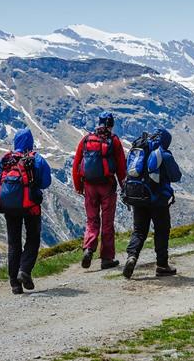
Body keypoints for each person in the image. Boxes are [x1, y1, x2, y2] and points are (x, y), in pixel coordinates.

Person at [0, 127, 52, 294]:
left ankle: (14, 284)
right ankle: (24, 270)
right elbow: (46, 182)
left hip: (9, 208)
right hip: (31, 206)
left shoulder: (7, 159)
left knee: (14, 243)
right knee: (33, 239)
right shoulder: (36, 159)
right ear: (30, 142)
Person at [122, 128, 182, 279]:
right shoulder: (164, 154)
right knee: (161, 230)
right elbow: (176, 176)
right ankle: (162, 265)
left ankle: (132, 257)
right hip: (158, 200)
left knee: (139, 231)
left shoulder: (139, 150)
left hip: (138, 196)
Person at [72, 112, 127, 270]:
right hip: (107, 186)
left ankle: (89, 249)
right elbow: (121, 167)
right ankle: (106, 258)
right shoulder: (114, 141)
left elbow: (76, 164)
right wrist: (124, 187)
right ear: (111, 124)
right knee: (107, 223)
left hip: (89, 186)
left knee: (92, 220)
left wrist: (78, 186)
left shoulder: (87, 139)